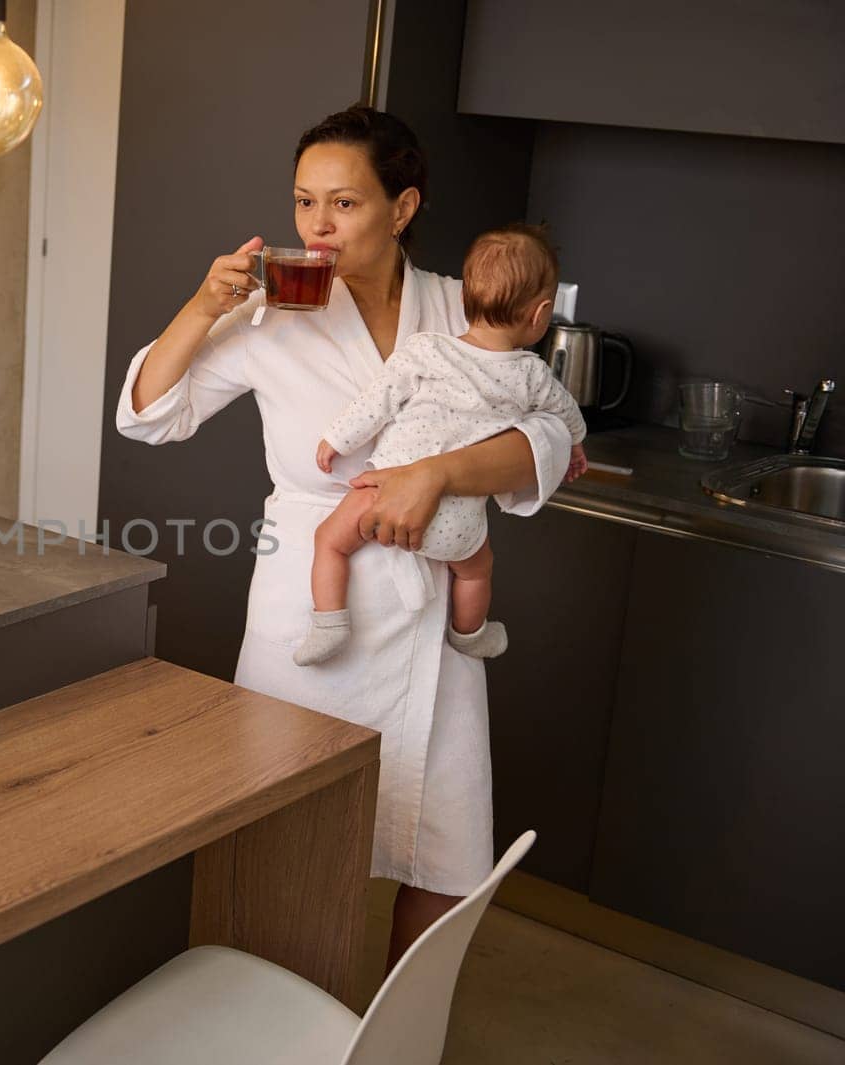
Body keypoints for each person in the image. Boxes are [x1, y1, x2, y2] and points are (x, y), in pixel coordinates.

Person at [116, 105, 573, 968]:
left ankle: (402, 1037)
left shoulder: (461, 307)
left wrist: (437, 474)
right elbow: (148, 415)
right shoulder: (271, 314)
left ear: (403, 209)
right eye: (303, 203)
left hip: (428, 616)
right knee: (282, 847)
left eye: (345, 205)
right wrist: (201, 307)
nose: (317, 227)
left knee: (444, 854)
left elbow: (546, 442)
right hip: (311, 607)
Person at [294, 223, 589, 667]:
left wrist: (337, 438)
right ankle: (470, 635)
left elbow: (377, 401)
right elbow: (566, 420)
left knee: (330, 542)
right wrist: (579, 447)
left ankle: (329, 623)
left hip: (379, 496)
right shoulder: (532, 375)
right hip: (460, 523)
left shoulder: (426, 350)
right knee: (477, 572)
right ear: (540, 313)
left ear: (465, 297)